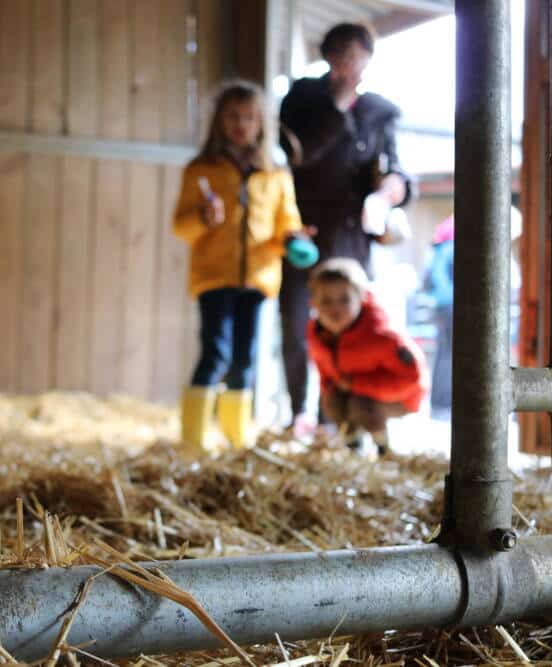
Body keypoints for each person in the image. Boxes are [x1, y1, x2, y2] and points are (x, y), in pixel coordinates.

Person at [278, 23, 414, 435]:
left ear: (367, 59)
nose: (346, 66)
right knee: (297, 324)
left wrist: (393, 190)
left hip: (354, 239)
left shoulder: (379, 111)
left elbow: (396, 170)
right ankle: (298, 411)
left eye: (354, 57)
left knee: (349, 329)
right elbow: (295, 155)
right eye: (338, 56)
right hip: (305, 232)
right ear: (327, 57)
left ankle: (332, 419)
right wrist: (336, 107)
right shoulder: (303, 98)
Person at [172, 81, 304, 452]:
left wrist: (295, 239)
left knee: (245, 360)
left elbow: (286, 222)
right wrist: (204, 217)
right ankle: (193, 440)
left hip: (258, 279)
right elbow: (181, 227)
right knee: (216, 353)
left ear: (261, 123)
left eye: (248, 117)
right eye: (232, 116)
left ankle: (236, 439)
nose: (240, 124)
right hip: (214, 277)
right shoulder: (201, 170)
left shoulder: (275, 174)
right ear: (219, 121)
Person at [307, 258, 428, 455]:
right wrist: (330, 389)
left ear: (361, 298)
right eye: (326, 301)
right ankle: (353, 447)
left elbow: (412, 378)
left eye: (344, 299)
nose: (334, 309)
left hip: (401, 397)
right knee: (332, 401)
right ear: (313, 303)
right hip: (352, 389)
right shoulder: (317, 332)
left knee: (360, 405)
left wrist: (357, 384)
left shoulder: (381, 334)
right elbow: (323, 369)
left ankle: (384, 449)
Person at [424, 216, 454, 417]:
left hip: (442, 307)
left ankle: (439, 403)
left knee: (444, 353)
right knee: (450, 355)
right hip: (451, 306)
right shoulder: (451, 249)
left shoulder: (440, 249)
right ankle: (443, 404)